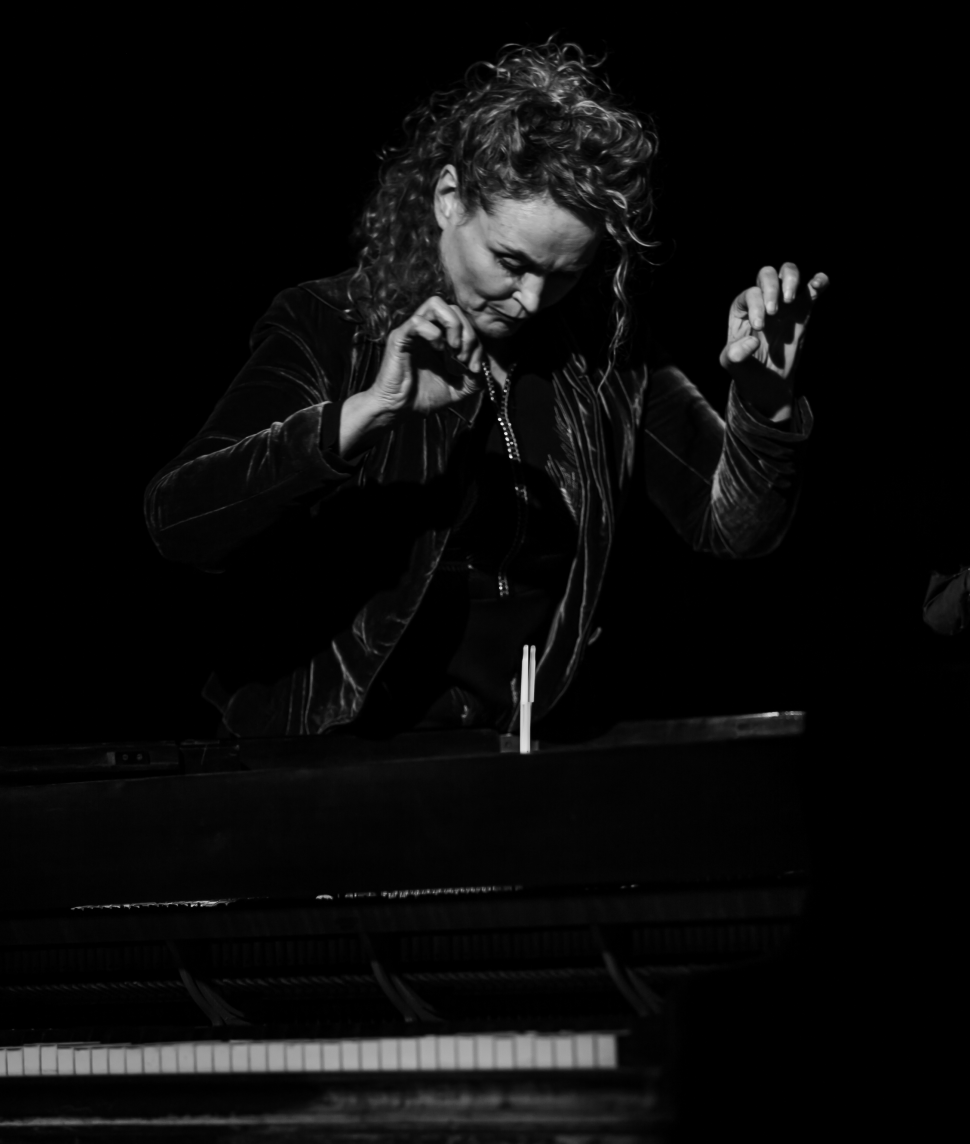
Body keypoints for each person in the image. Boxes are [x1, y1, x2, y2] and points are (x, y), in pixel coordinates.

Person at [144, 41, 828, 740]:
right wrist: (364, 415)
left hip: (507, 761)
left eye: (562, 274)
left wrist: (765, 404)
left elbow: (732, 529)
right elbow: (181, 523)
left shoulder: (604, 359)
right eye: (511, 261)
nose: (531, 299)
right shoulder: (328, 324)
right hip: (326, 763)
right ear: (448, 199)